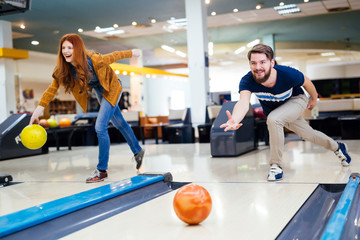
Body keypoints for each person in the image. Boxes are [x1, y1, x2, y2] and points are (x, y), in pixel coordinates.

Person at [220, 43, 351, 181]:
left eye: (262, 62)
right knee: (308, 134)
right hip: (279, 110)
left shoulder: (287, 74)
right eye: (253, 63)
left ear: (272, 62)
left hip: (296, 100)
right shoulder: (248, 81)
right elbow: (243, 103)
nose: (258, 67)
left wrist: (313, 98)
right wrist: (235, 119)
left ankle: (276, 165)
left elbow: (306, 82)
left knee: (273, 119)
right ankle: (338, 147)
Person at [30, 33, 145, 183]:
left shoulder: (94, 60)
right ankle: (138, 151)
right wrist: (38, 110)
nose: (66, 51)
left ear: (77, 49)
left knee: (100, 127)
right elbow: (52, 89)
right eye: (63, 48)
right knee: (119, 123)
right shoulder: (64, 69)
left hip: (112, 87)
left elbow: (114, 55)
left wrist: (132, 53)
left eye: (70, 47)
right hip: (99, 90)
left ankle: (102, 170)